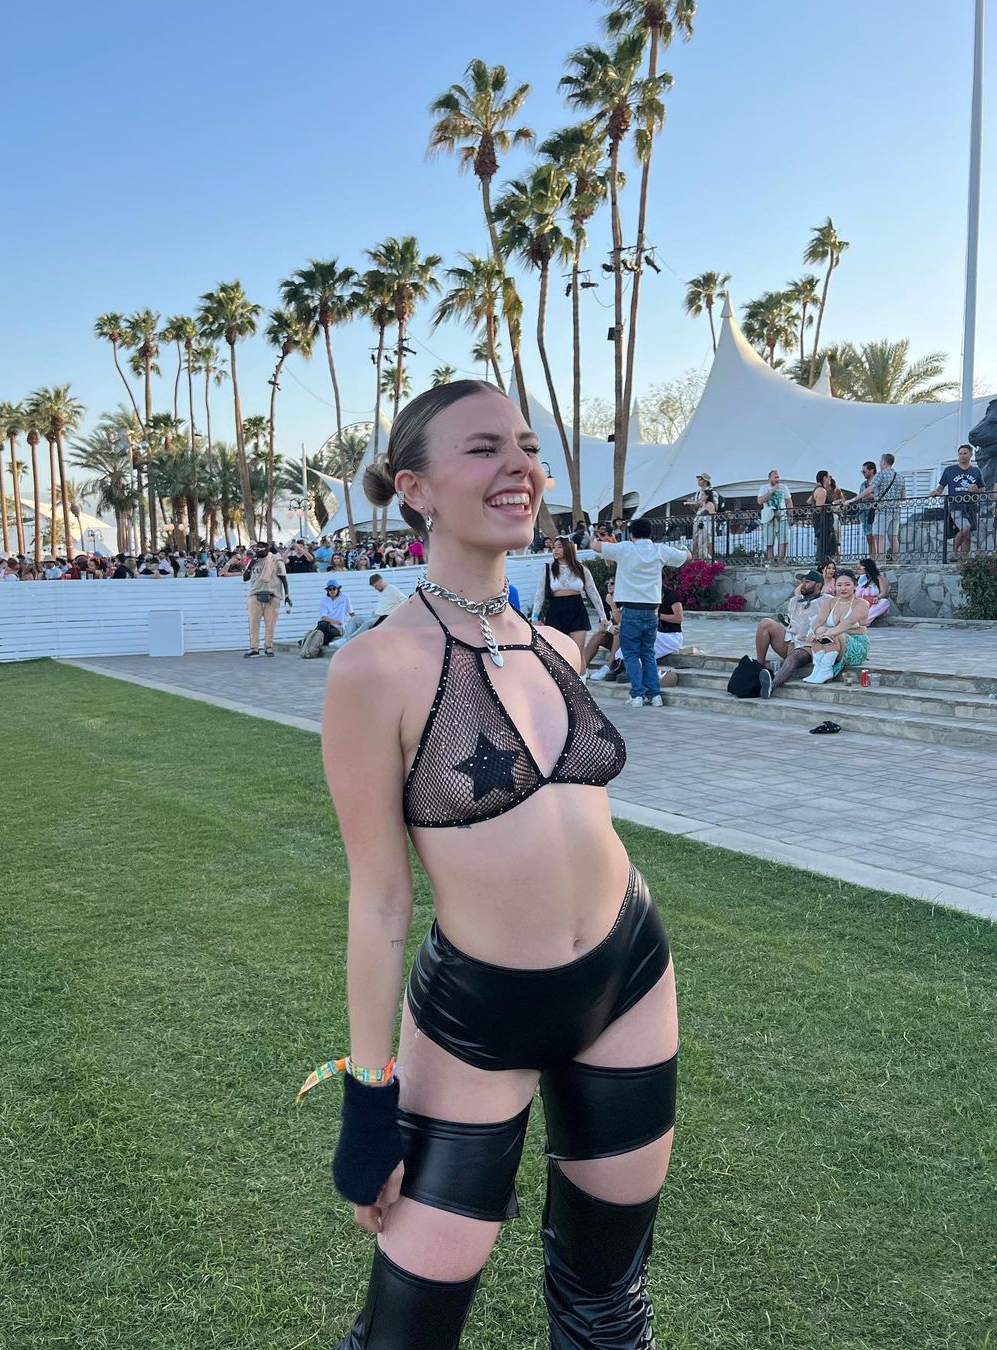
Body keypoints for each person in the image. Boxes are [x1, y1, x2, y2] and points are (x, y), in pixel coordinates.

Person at [303, 380, 677, 1349]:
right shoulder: (374, 667)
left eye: (527, 445)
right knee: (407, 1335)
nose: (521, 466)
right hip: (479, 1015)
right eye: (483, 448)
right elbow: (381, 899)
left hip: (629, 977)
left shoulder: (556, 646)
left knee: (608, 1301)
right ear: (416, 489)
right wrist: (367, 1099)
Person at [591, 517, 690, 708]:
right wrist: (684, 548)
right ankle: (655, 695)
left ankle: (637, 694)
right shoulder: (660, 550)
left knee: (630, 654)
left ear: (632, 534)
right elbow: (687, 557)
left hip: (631, 609)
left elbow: (596, 546)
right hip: (652, 611)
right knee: (648, 653)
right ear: (650, 533)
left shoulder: (625, 548)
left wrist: (599, 535)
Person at [531, 537, 607, 675]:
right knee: (557, 652)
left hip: (577, 609)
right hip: (556, 610)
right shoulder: (548, 568)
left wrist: (603, 617)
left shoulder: (581, 569)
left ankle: (581, 684)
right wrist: (535, 616)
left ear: (567, 548)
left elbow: (593, 593)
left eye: (559, 547)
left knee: (578, 652)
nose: (555, 550)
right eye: (554, 547)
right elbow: (540, 593)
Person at [755, 568, 826, 697]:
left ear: (818, 585)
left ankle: (771, 684)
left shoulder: (828, 601)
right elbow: (793, 624)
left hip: (809, 646)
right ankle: (759, 668)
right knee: (765, 623)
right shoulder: (794, 601)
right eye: (802, 581)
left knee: (793, 657)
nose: (803, 584)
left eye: (807, 582)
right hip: (790, 642)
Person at [801, 570, 871, 685]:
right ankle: (818, 668)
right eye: (839, 585)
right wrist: (812, 632)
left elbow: (849, 621)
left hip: (856, 646)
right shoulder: (830, 602)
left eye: (847, 585)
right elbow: (819, 620)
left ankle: (826, 670)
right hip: (834, 643)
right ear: (835, 586)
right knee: (820, 630)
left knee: (833, 633)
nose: (843, 588)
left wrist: (830, 633)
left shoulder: (862, 604)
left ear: (855, 586)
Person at [930, 444, 984, 560]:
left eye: (965, 453)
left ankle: (964, 560)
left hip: (971, 506)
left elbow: (982, 489)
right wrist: (935, 492)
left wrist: (976, 489)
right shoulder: (949, 470)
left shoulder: (976, 471)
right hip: (956, 506)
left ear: (971, 455)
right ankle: (954, 553)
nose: (962, 456)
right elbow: (941, 487)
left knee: (967, 535)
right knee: (965, 528)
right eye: (960, 454)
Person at [848, 452, 904, 560]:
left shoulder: (880, 475)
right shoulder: (900, 477)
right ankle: (896, 561)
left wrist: (854, 499)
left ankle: (881, 562)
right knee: (893, 537)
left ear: (884, 462)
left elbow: (870, 488)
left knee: (879, 536)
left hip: (882, 510)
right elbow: (903, 497)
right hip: (896, 510)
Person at [332, 574, 409, 647]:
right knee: (354, 619)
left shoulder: (393, 589)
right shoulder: (381, 591)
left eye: (376, 586)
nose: (375, 588)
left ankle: (347, 641)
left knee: (367, 623)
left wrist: (394, 614)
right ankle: (344, 639)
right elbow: (385, 604)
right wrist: (376, 610)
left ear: (380, 581)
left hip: (384, 618)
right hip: (375, 616)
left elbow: (405, 601)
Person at [243, 543, 292, 657]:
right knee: (253, 623)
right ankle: (254, 648)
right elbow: (245, 578)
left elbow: (283, 578)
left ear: (267, 550)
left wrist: (287, 594)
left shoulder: (276, 561)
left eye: (260, 549)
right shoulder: (253, 561)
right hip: (255, 595)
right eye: (256, 549)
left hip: (272, 595)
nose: (258, 551)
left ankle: (268, 647)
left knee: (270, 624)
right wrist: (251, 565)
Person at [300, 580, 353, 657]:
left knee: (328, 633)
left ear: (338, 589)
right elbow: (324, 617)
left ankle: (308, 641)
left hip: (338, 628)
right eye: (329, 589)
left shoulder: (345, 597)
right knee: (323, 625)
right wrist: (334, 621)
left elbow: (351, 612)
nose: (332, 591)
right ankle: (310, 644)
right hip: (327, 624)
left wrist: (356, 621)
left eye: (334, 588)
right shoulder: (324, 600)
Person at [807, 471, 838, 567]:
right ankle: (822, 563)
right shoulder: (821, 490)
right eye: (829, 477)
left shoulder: (819, 489)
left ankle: (823, 562)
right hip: (823, 521)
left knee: (827, 542)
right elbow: (819, 508)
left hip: (823, 521)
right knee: (825, 543)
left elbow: (809, 501)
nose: (830, 479)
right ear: (824, 478)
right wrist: (830, 506)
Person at [687, 473, 719, 560]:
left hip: (707, 519)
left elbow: (715, 507)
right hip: (698, 518)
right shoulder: (698, 492)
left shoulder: (713, 492)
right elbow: (697, 505)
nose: (698, 481)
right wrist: (692, 503)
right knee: (696, 539)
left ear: (705, 481)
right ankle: (697, 559)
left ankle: (709, 560)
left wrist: (705, 503)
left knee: (707, 540)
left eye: (700, 479)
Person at [654, 578, 683, 660]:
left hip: (671, 636)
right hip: (658, 633)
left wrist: (657, 615)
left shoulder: (671, 595)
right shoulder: (649, 596)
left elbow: (678, 618)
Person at [855, 557, 890, 625]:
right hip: (861, 605)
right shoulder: (858, 579)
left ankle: (864, 621)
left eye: (860, 567)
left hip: (874, 604)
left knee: (885, 602)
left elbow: (884, 592)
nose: (858, 569)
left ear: (867, 567)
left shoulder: (878, 578)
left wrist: (877, 597)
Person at [857, 461, 878, 555]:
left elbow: (879, 496)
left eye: (864, 471)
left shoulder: (877, 483)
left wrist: (870, 495)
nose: (863, 473)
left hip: (874, 512)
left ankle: (877, 557)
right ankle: (872, 557)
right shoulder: (863, 484)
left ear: (872, 470)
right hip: (864, 513)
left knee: (876, 536)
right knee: (868, 537)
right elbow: (860, 497)